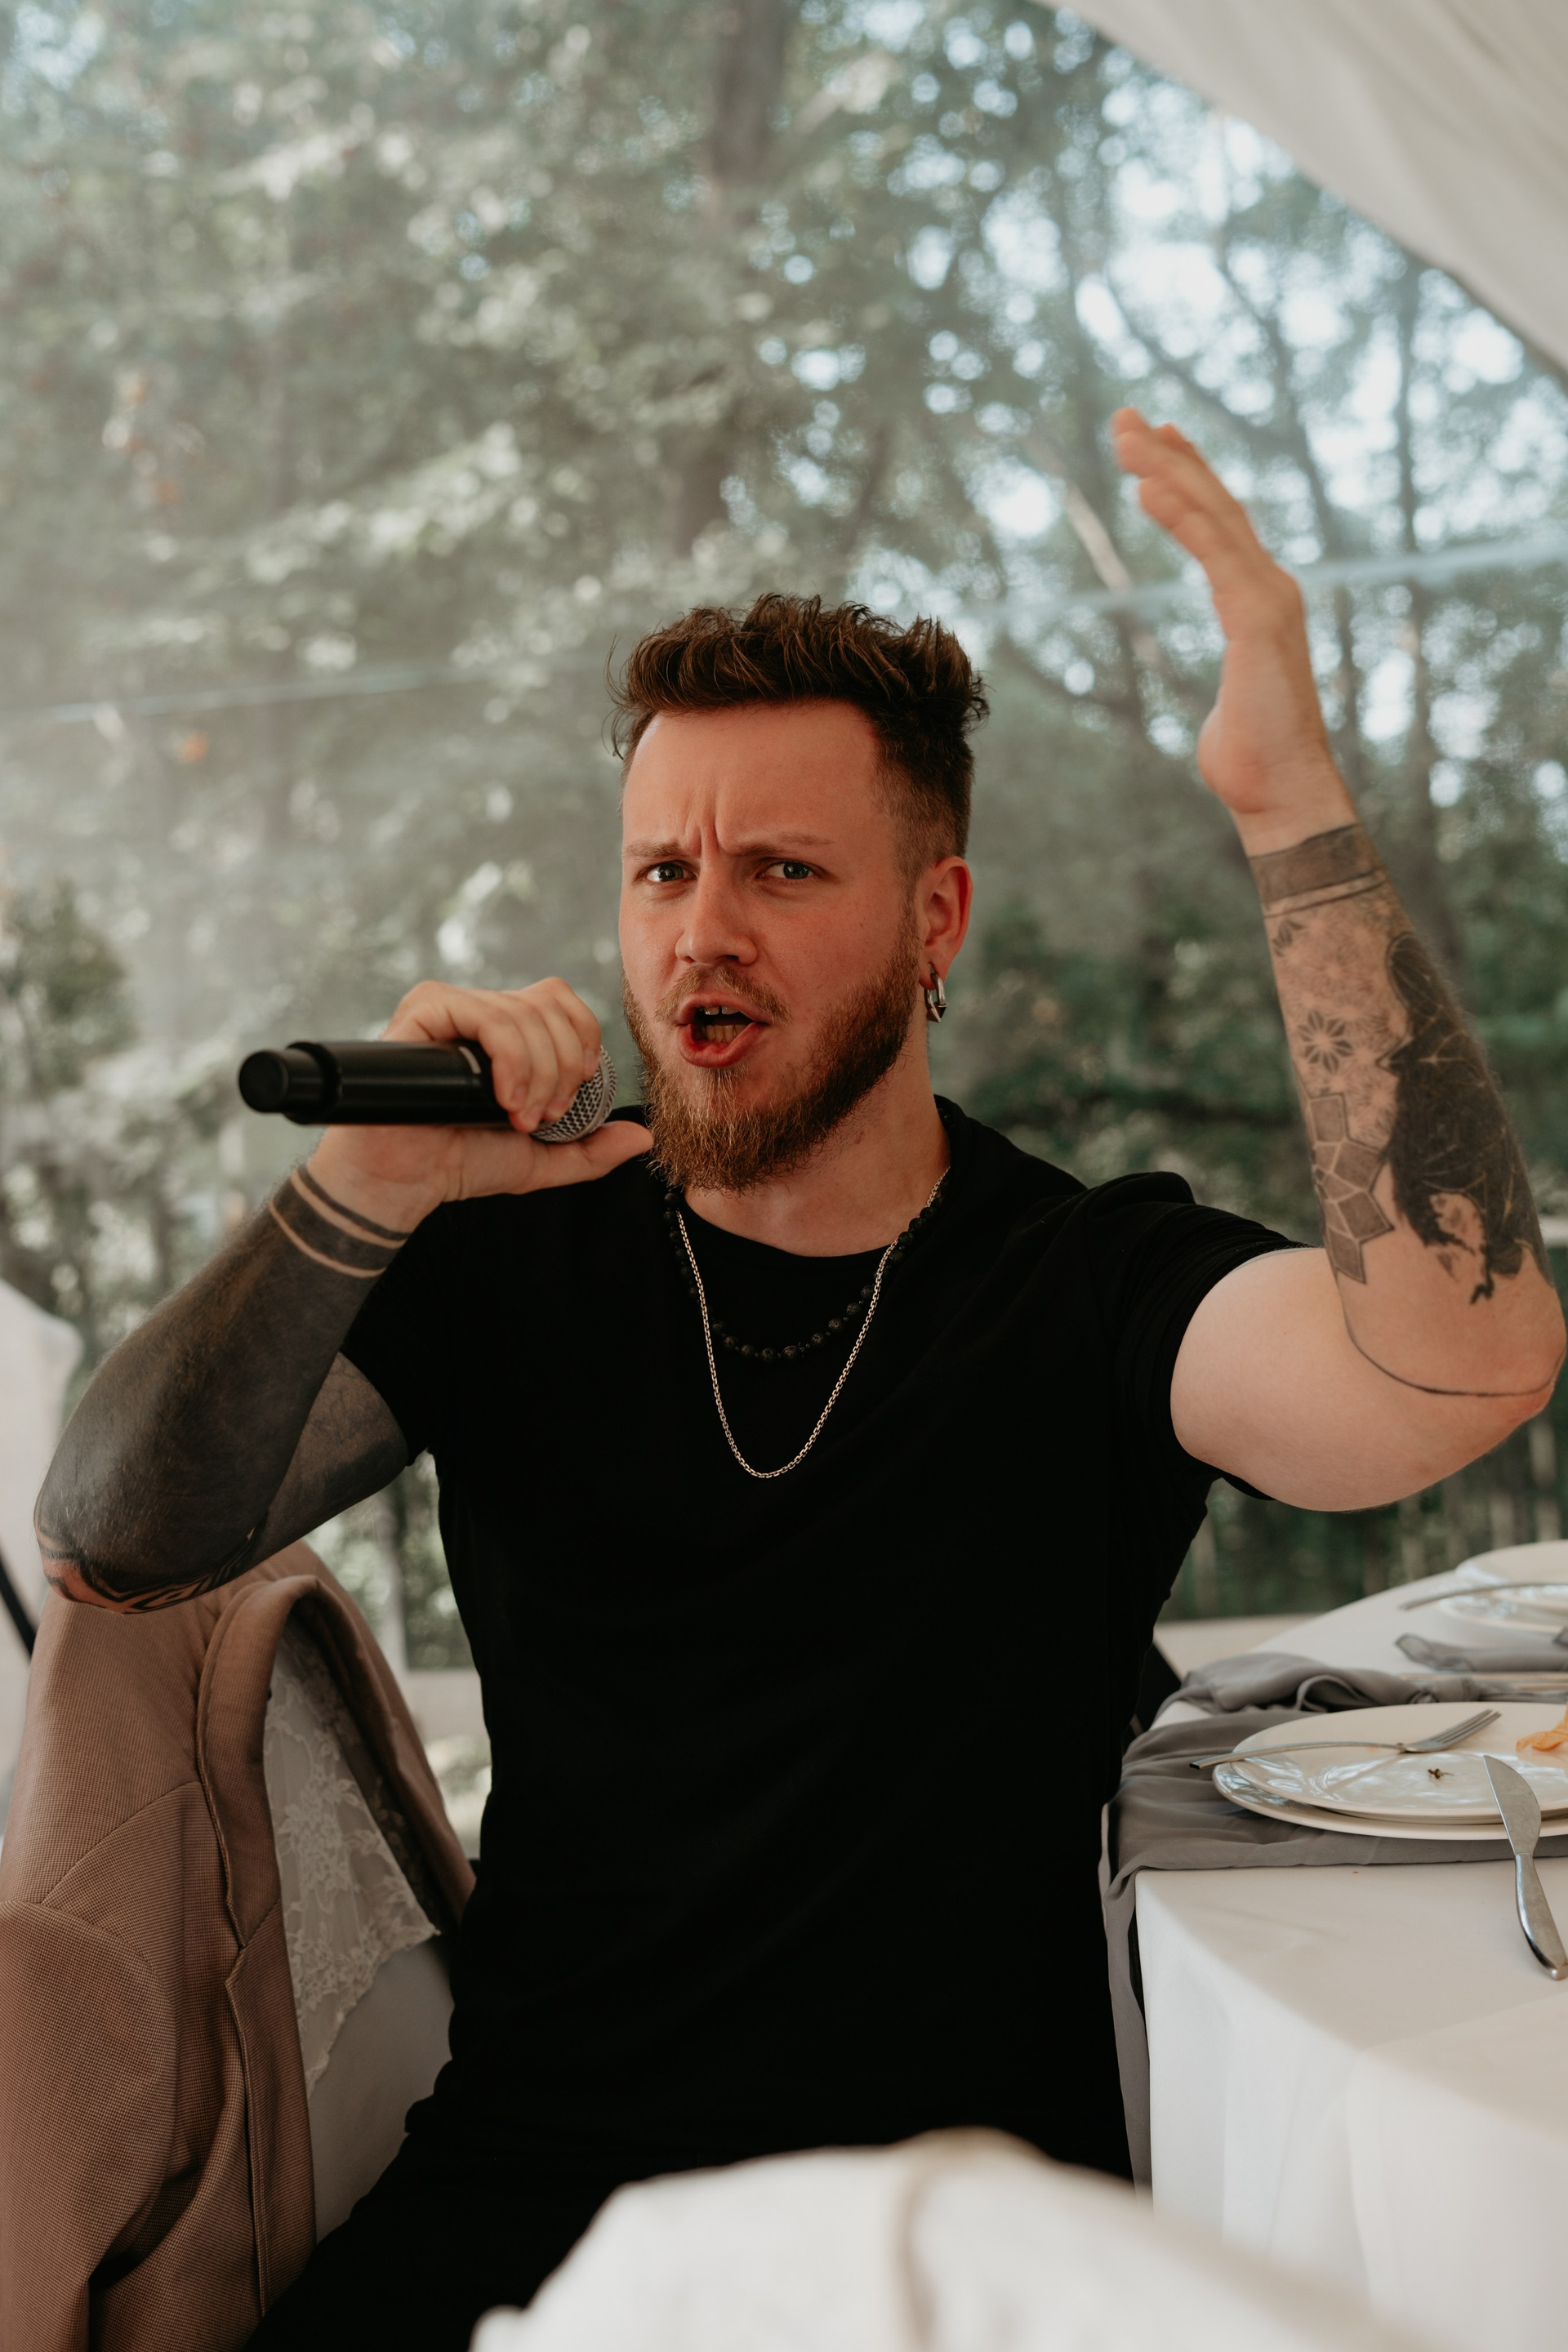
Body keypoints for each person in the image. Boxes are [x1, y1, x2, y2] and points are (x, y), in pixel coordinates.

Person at [37, 416, 1564, 2348]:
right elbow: (113, 1535)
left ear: (934, 925)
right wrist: (362, 1190)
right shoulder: (502, 1253)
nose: (704, 928)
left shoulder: (1084, 1282)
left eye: (780, 869)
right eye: (661, 870)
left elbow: (1462, 1365)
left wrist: (1289, 811)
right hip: (534, 2201)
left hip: (950, 2247)